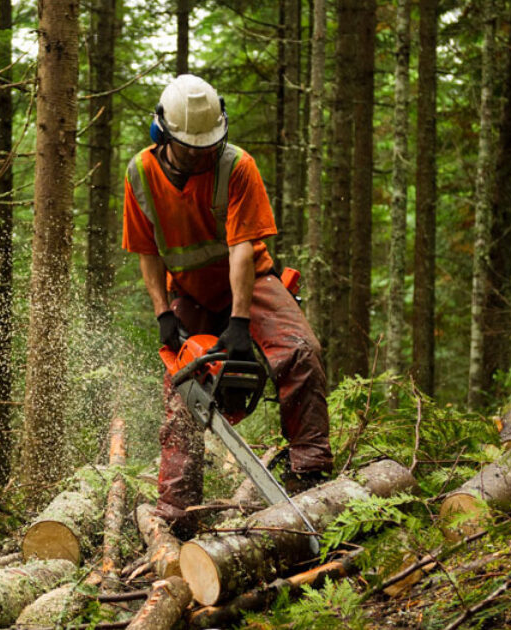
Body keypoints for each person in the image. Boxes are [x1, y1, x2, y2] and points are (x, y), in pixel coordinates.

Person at [121, 74, 334, 537]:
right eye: (190, 147)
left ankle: (311, 473)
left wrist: (239, 323)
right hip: (190, 291)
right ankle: (177, 511)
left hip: (249, 276)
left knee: (300, 351)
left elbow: (242, 249)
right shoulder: (140, 174)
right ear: (163, 135)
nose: (201, 154)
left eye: (206, 146)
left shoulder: (236, 166)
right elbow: (148, 251)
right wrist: (163, 313)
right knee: (182, 392)